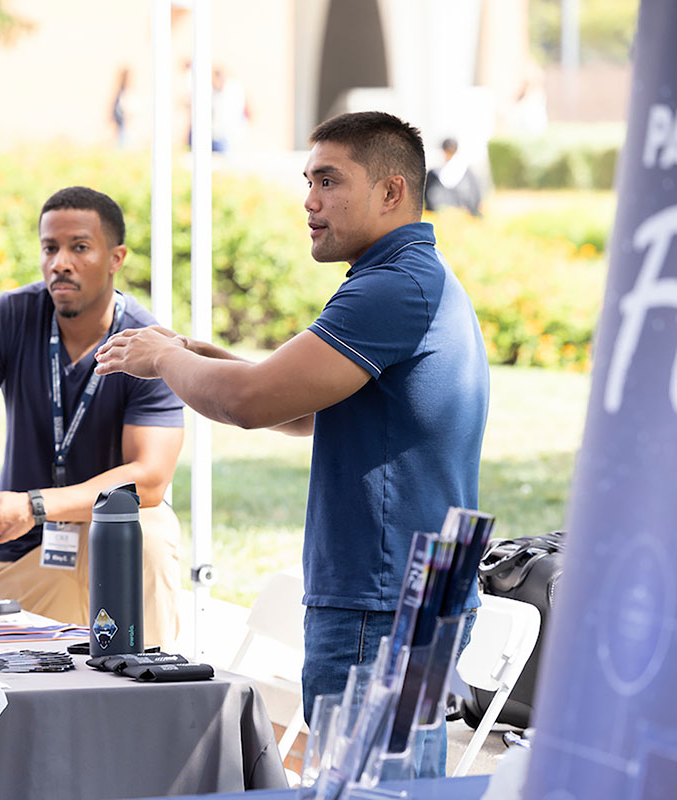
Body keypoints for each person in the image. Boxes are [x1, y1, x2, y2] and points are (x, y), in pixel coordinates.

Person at [94, 111, 488, 772]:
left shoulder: (393, 287)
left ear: (391, 192)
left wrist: (164, 360)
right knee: (394, 788)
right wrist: (192, 351)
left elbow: (253, 404)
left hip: (381, 599)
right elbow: (301, 405)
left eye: (329, 181)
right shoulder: (413, 276)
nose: (309, 201)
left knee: (365, 791)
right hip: (410, 591)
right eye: (308, 181)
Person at [0, 186, 185, 649]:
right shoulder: (7, 318)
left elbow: (150, 480)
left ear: (115, 258)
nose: (60, 262)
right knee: (20, 698)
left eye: (79, 247)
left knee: (152, 529)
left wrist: (35, 505)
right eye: (50, 248)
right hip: (28, 548)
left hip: (118, 539)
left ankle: (150, 693)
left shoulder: (147, 343)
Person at [424, 137, 483, 216]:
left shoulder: (433, 174)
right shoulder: (468, 173)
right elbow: (475, 200)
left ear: (443, 150)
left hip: (440, 219)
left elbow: (429, 199)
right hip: (463, 219)